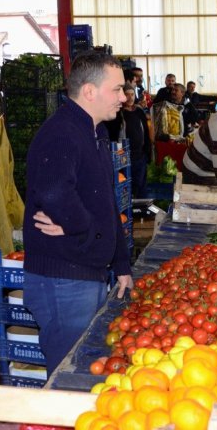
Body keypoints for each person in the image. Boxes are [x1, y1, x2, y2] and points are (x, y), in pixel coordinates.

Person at [22, 51, 133, 375]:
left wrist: (121, 261)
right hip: (62, 280)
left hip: (84, 273)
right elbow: (55, 192)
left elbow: (105, 201)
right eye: (116, 89)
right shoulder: (62, 133)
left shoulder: (93, 132)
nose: (124, 97)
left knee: (85, 365)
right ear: (89, 91)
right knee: (68, 373)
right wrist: (81, 227)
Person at [121, 82, 152, 198]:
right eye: (127, 95)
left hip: (140, 155)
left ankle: (142, 212)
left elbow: (146, 130)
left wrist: (148, 151)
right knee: (129, 187)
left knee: (141, 186)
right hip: (125, 157)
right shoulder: (119, 113)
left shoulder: (139, 111)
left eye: (132, 95)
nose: (130, 98)